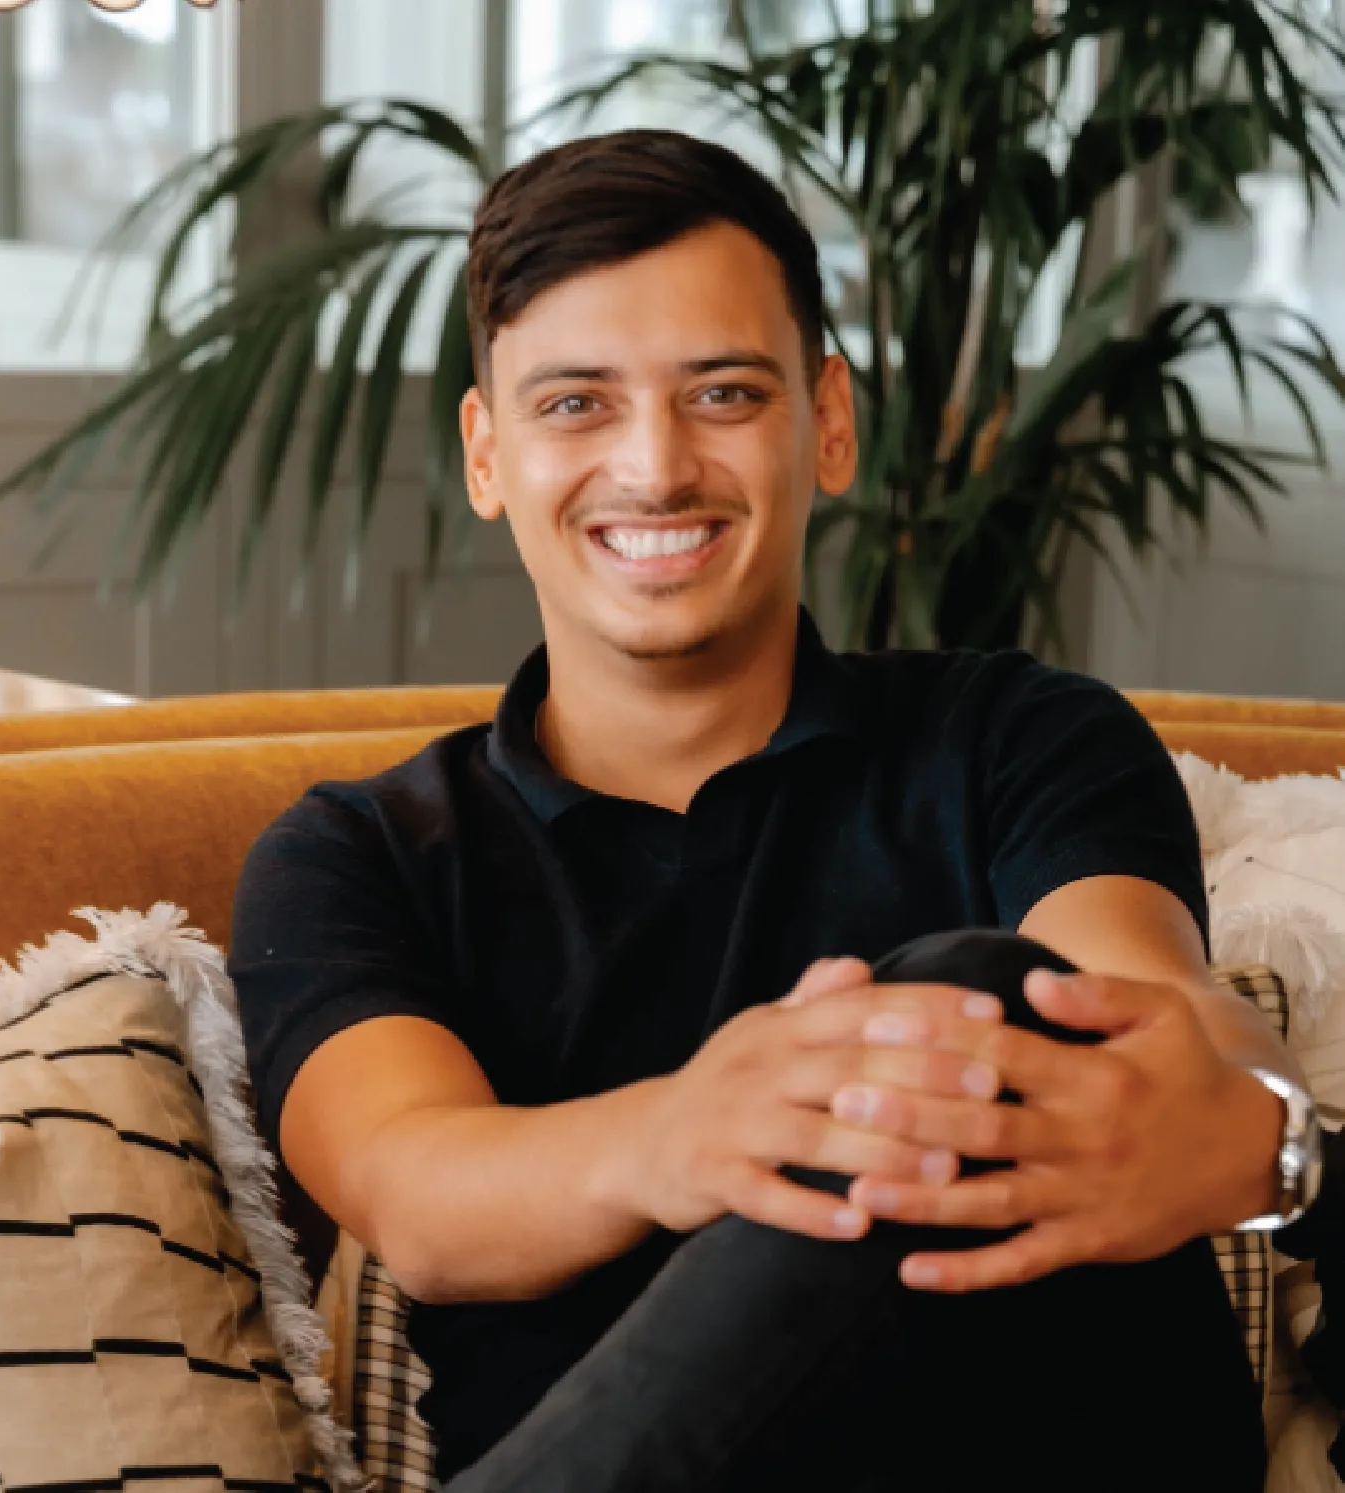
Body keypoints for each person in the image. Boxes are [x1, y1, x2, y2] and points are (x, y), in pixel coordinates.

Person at [231, 129, 1314, 1492]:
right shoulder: (357, 852)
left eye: (724, 394)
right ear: (486, 452)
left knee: (988, 1000)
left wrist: (1252, 1125)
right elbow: (420, 1194)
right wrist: (689, 1132)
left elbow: (1141, 1007)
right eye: (574, 404)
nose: (655, 467)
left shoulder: (1016, 737)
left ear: (831, 421)